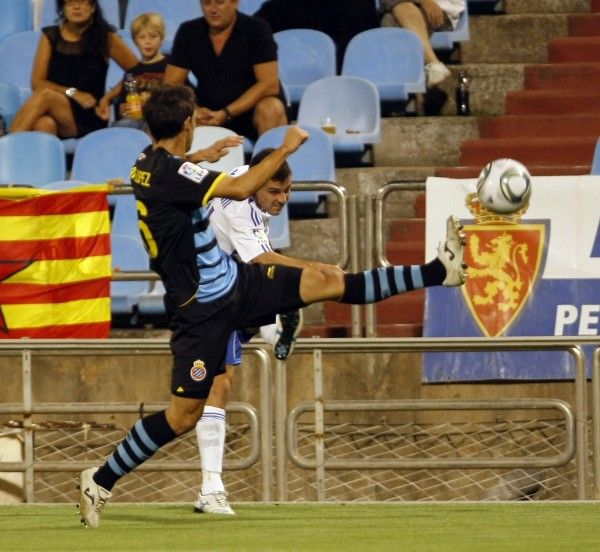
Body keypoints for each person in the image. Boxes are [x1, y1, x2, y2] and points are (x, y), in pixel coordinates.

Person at [77, 84, 467, 528]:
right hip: (200, 311)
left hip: (235, 284)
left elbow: (173, 173)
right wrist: (283, 147)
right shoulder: (168, 173)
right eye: (195, 123)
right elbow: (242, 188)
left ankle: (440, 271)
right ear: (187, 124)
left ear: (150, 127)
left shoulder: (148, 164)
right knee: (182, 416)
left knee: (327, 279)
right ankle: (101, 479)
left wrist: (199, 159)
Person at [194, 149, 303, 515]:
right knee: (219, 384)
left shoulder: (246, 178)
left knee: (210, 389)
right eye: (274, 191)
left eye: (287, 190)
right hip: (209, 292)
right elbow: (260, 259)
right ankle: (210, 488)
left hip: (226, 283)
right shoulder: (240, 203)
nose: (282, 199)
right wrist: (320, 270)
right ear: (260, 179)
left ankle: (274, 323)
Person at [163, 0, 288, 142]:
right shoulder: (188, 31)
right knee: (170, 108)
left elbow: (269, 85)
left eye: (220, 2)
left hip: (249, 112)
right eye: (207, 3)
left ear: (235, 3)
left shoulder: (257, 29)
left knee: (271, 108)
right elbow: (171, 83)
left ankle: (274, 163)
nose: (213, 9)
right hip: (207, 111)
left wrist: (226, 113)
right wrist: (195, 109)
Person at [10, 0, 137, 137]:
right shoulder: (50, 36)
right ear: (62, 8)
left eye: (82, 2)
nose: (76, 7)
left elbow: (137, 71)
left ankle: (5, 146)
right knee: (44, 124)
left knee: (46, 95)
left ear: (93, 7)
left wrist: (108, 98)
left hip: (90, 113)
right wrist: (73, 93)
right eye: (70, 3)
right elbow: (37, 83)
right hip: (57, 110)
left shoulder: (106, 37)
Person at [380, 0, 466, 87]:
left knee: (395, 15)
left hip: (440, 10)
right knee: (389, 18)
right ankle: (432, 65)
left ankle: (432, 65)